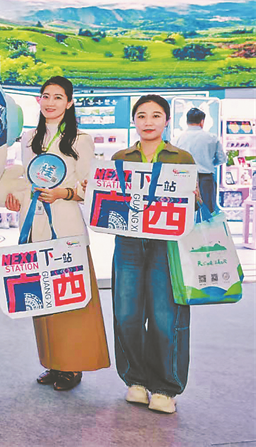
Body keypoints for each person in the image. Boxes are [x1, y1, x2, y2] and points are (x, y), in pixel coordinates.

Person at [5, 76, 110, 391]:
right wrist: (15, 198)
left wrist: (65, 192)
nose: (50, 102)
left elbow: (90, 185)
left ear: (70, 102)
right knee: (42, 299)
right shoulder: (28, 138)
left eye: (58, 97)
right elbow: (27, 181)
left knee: (70, 298)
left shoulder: (80, 139)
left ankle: (72, 366)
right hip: (34, 225)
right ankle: (52, 362)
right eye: (45, 96)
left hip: (65, 226)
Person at [111, 94, 195, 414]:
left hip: (166, 244)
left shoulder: (181, 157)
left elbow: (194, 205)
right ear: (134, 120)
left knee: (165, 316)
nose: (148, 122)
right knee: (126, 313)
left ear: (167, 120)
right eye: (142, 116)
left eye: (156, 115)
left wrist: (194, 197)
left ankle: (165, 387)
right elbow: (110, 201)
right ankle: (136, 379)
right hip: (128, 242)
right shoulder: (120, 157)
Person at [174, 107, 225, 214]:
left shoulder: (178, 139)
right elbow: (222, 159)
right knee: (207, 210)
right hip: (205, 178)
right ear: (202, 121)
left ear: (187, 121)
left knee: (184, 209)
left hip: (184, 177)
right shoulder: (212, 138)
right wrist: (210, 163)